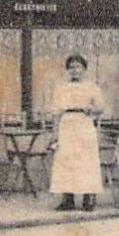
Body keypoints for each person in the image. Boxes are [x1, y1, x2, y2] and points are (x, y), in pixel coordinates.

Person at [50, 54, 105, 212]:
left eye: (78, 67)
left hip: (84, 124)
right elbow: (56, 112)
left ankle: (88, 198)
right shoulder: (61, 88)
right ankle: (68, 199)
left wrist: (92, 109)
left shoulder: (91, 87)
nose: (75, 70)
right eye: (72, 67)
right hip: (66, 124)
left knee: (86, 160)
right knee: (66, 160)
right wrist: (54, 133)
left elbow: (100, 107)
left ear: (84, 69)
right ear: (67, 70)